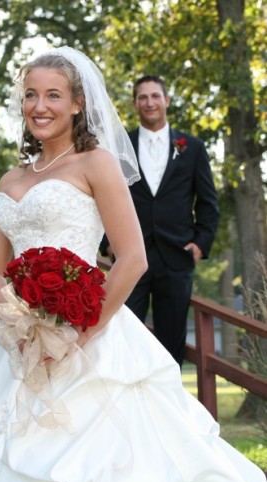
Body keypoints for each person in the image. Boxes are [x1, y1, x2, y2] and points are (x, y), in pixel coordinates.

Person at [0, 47, 266, 482]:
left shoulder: (96, 163)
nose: (40, 106)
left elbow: (132, 258)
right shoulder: (10, 179)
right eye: (31, 95)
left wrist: (76, 333)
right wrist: (24, 326)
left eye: (53, 95)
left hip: (87, 336)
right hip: (19, 345)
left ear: (78, 103)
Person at [100, 75, 220, 367]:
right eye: (143, 97)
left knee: (171, 344)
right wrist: (108, 244)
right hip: (129, 257)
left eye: (155, 96)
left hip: (176, 259)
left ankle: (169, 409)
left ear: (166, 100)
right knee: (122, 337)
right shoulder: (117, 147)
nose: (149, 102)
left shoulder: (192, 148)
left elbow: (208, 204)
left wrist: (200, 246)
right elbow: (101, 198)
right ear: (135, 103)